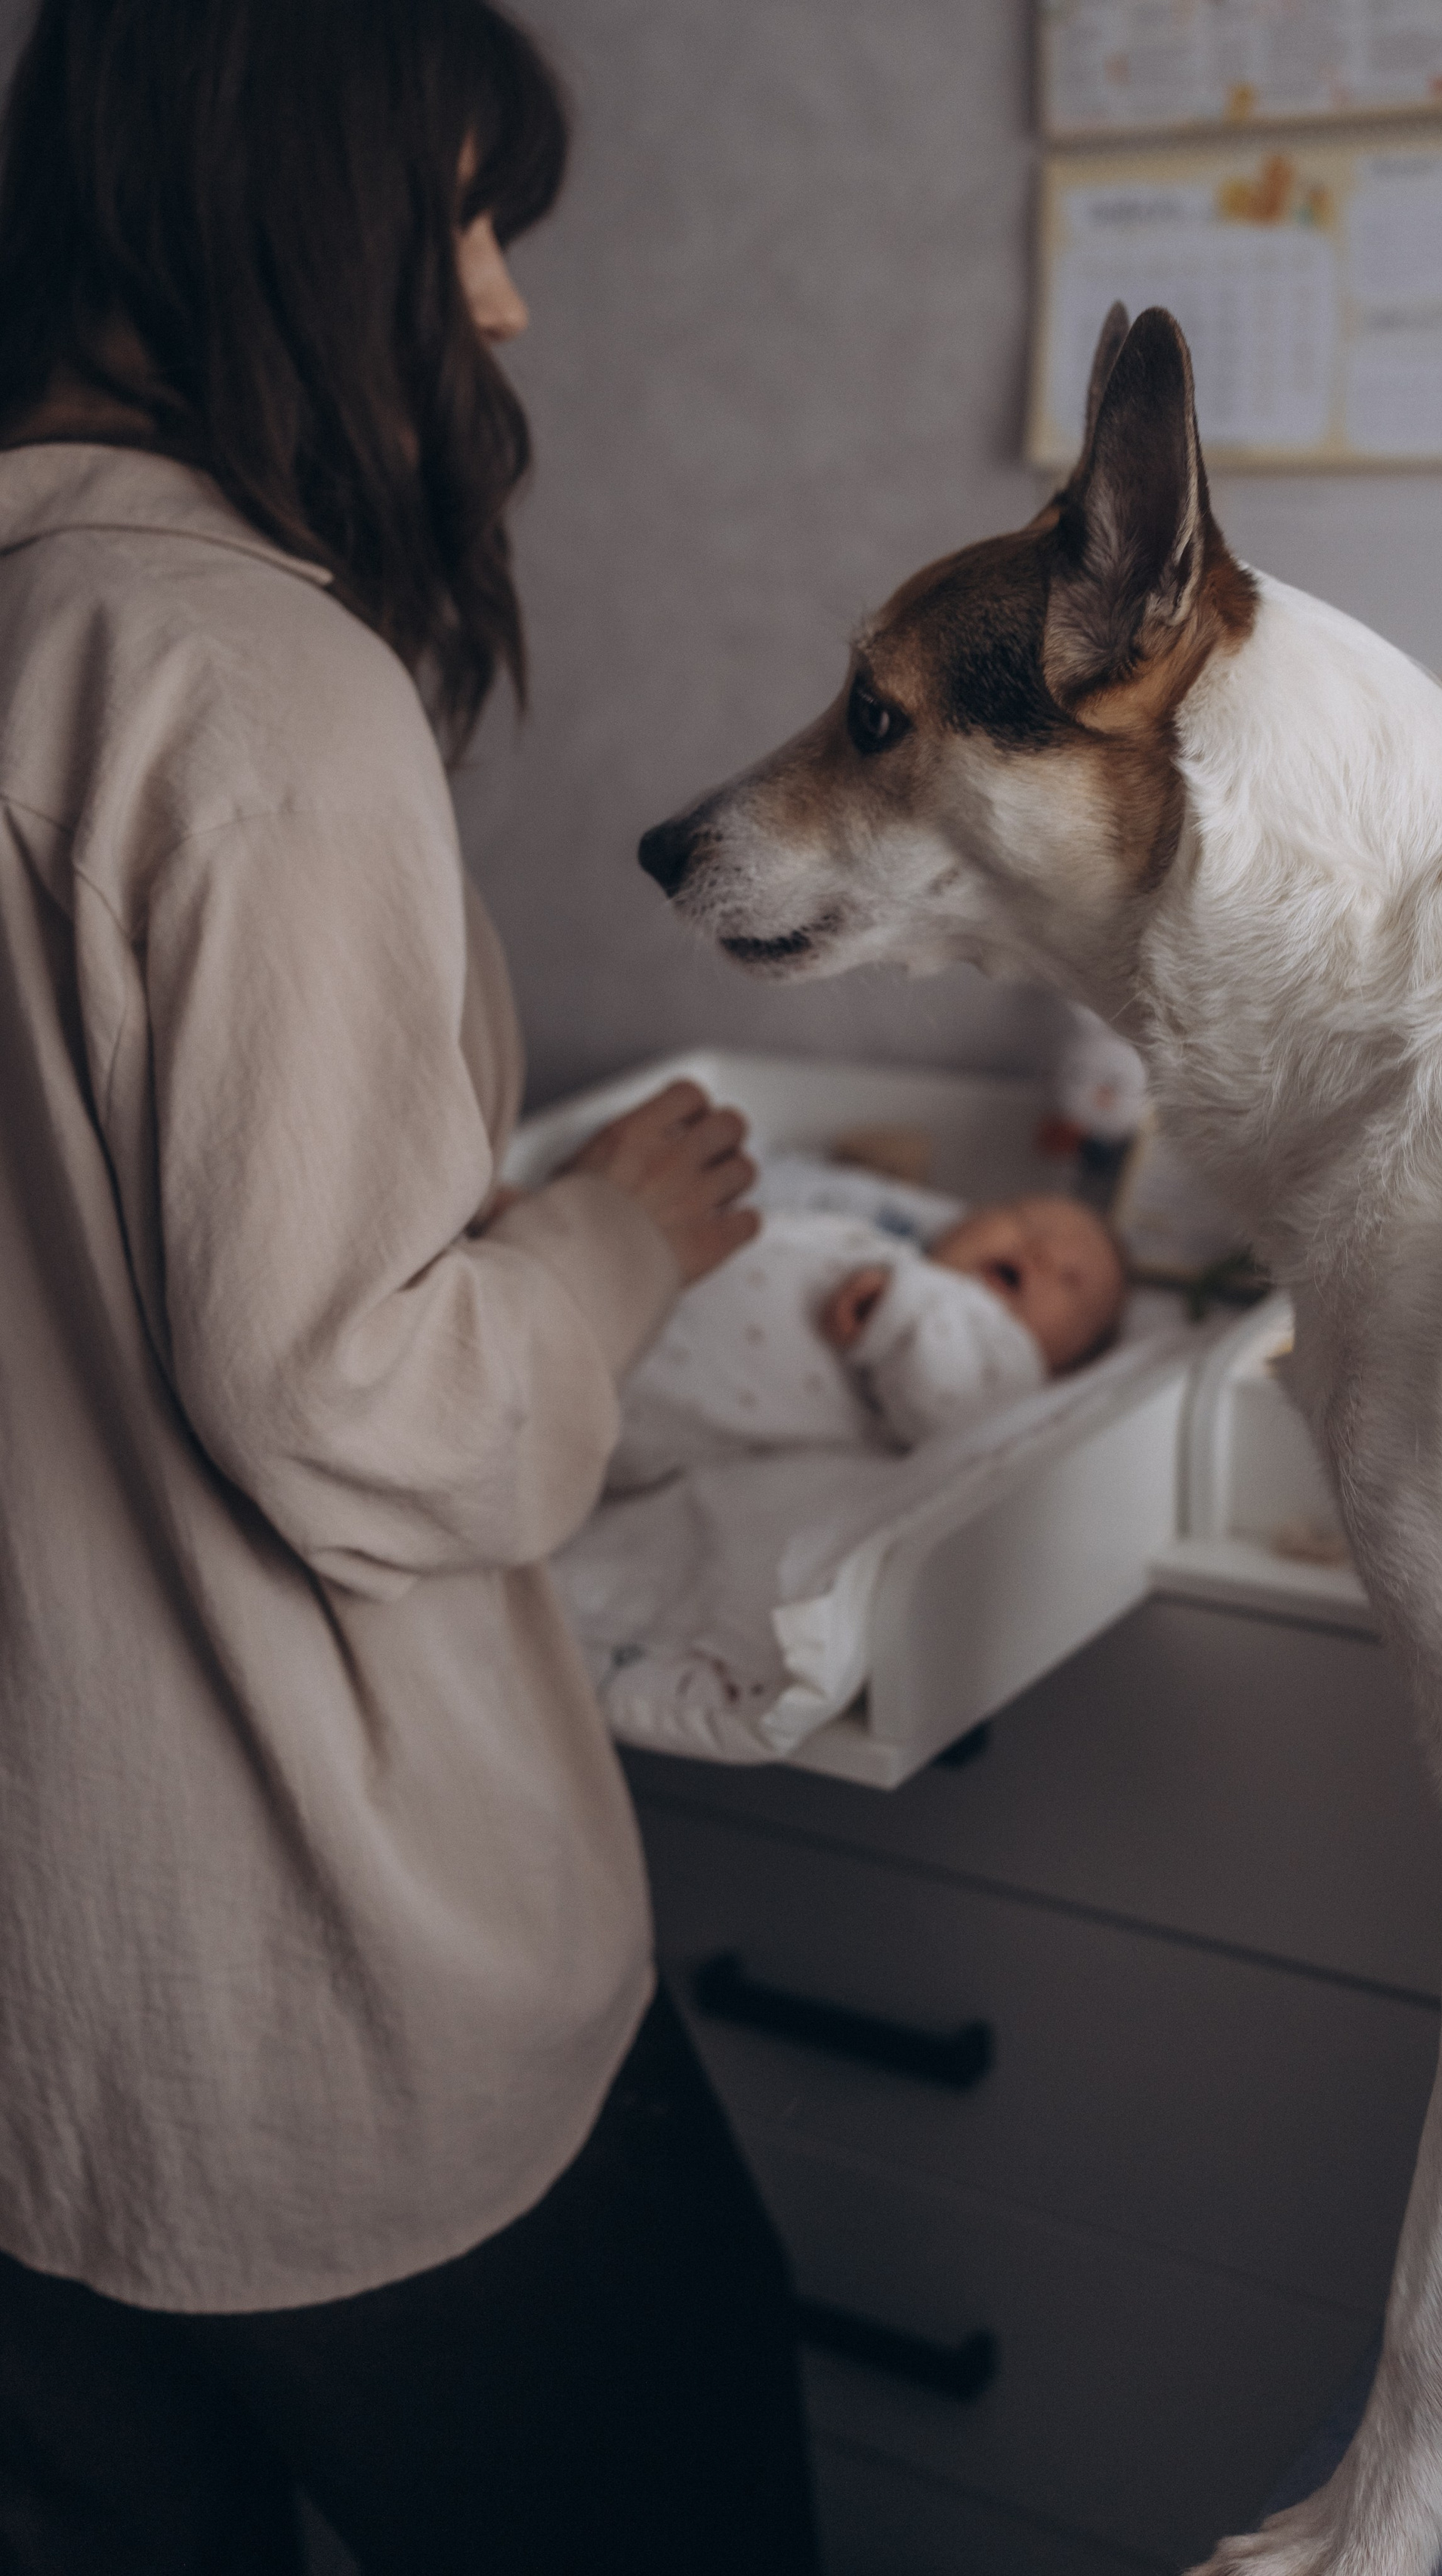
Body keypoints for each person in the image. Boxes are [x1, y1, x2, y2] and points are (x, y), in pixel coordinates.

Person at [0, 3, 820, 2569]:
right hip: (326, 2018)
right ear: (281, 204)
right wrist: (609, 1245)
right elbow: (345, 1399)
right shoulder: (244, 689)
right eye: (466, 216)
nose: (500, 301)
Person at [609, 1186, 1129, 1484]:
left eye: (1071, 1279)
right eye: (1025, 1221)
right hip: (647, 1279)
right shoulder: (887, 1244)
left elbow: (946, 1404)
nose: (1042, 1252)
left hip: (656, 1390)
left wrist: (896, 1306)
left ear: (1063, 1364)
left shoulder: (1005, 1364)